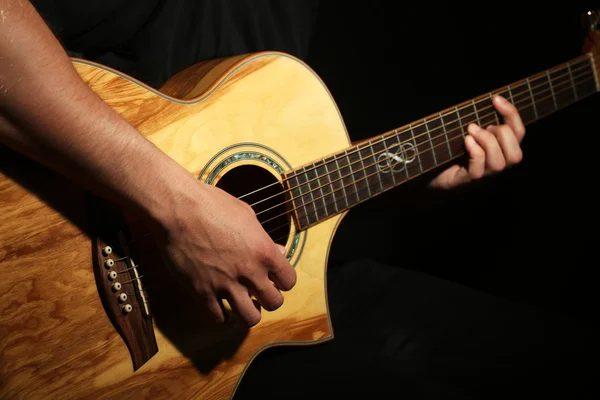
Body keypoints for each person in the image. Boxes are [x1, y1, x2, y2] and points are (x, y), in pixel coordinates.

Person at [0, 1, 596, 398]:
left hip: (237, 328)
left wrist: (407, 183)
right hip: (57, 278)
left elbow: (271, 187)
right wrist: (178, 209)